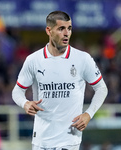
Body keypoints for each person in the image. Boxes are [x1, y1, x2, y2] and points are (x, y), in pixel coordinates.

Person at [12, 11, 108, 150]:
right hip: (41, 140)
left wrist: (88, 114)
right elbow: (17, 91)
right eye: (61, 28)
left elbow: (101, 88)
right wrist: (25, 103)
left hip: (69, 140)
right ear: (49, 31)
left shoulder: (82, 59)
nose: (67, 33)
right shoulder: (33, 60)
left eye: (69, 28)